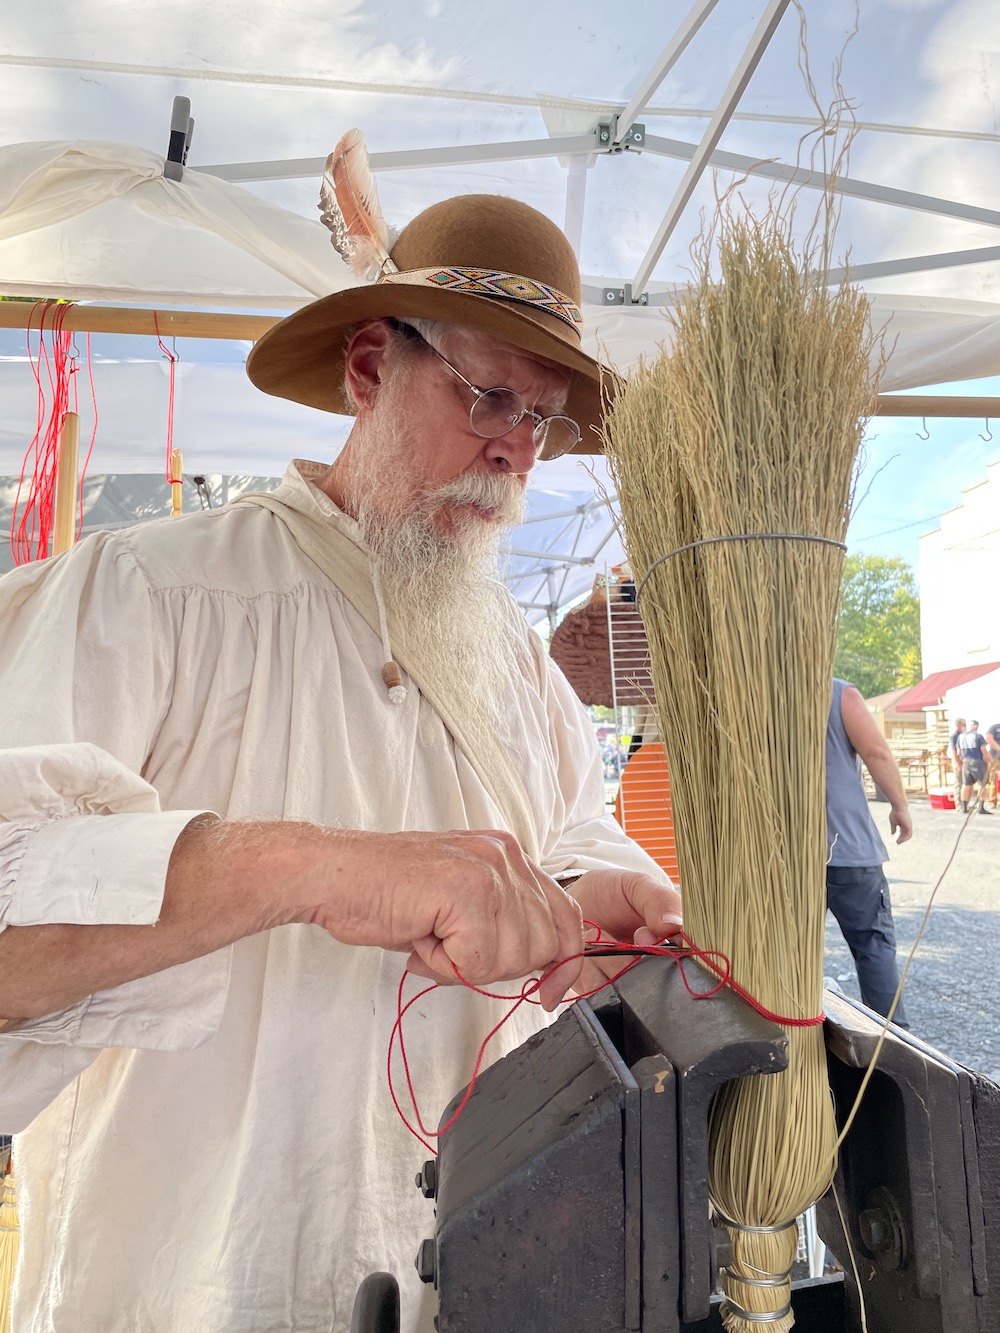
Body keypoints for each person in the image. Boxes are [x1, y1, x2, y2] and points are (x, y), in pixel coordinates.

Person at [0, 194, 682, 1333]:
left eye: (544, 419)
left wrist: (587, 902)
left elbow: (567, 835)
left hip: (469, 1278)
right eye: (490, 395)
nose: (516, 445)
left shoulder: (513, 659)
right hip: (192, 1287)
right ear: (370, 365)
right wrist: (323, 867)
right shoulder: (150, 593)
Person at [825, 679, 913, 1027]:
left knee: (789, 956)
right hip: (847, 849)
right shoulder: (837, 693)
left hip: (780, 859)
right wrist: (900, 805)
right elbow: (875, 750)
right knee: (872, 948)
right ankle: (892, 1049)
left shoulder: (748, 690)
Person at [958, 719, 992, 813]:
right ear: (977, 727)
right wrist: (989, 761)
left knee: (966, 784)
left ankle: (964, 806)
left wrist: (963, 761)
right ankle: (980, 807)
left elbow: (958, 752)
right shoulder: (978, 736)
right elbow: (983, 750)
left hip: (965, 761)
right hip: (977, 761)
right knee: (982, 784)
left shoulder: (961, 736)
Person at [949, 715, 966, 809]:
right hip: (957, 760)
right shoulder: (955, 736)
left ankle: (964, 803)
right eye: (963, 724)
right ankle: (958, 804)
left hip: (964, 759)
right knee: (958, 782)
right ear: (958, 725)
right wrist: (958, 764)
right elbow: (954, 751)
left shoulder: (964, 734)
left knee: (964, 782)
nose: (965, 726)